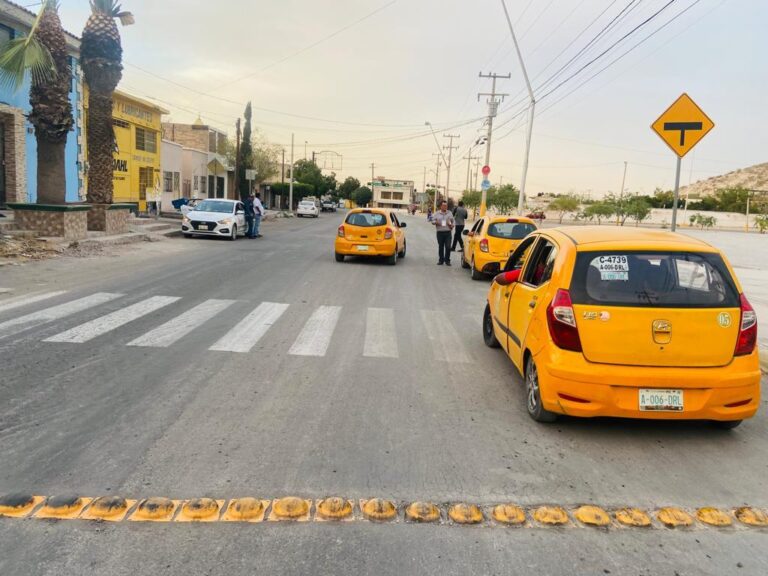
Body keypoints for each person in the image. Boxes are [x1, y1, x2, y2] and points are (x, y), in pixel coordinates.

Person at [432, 200, 455, 266]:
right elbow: (432, 220)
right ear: (441, 206)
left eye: (446, 206)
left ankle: (447, 260)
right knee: (441, 247)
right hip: (440, 233)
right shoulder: (437, 213)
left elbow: (453, 221)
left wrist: (452, 225)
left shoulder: (449, 213)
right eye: (444, 206)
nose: (445, 207)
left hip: (448, 232)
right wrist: (435, 222)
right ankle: (441, 260)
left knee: (448, 247)